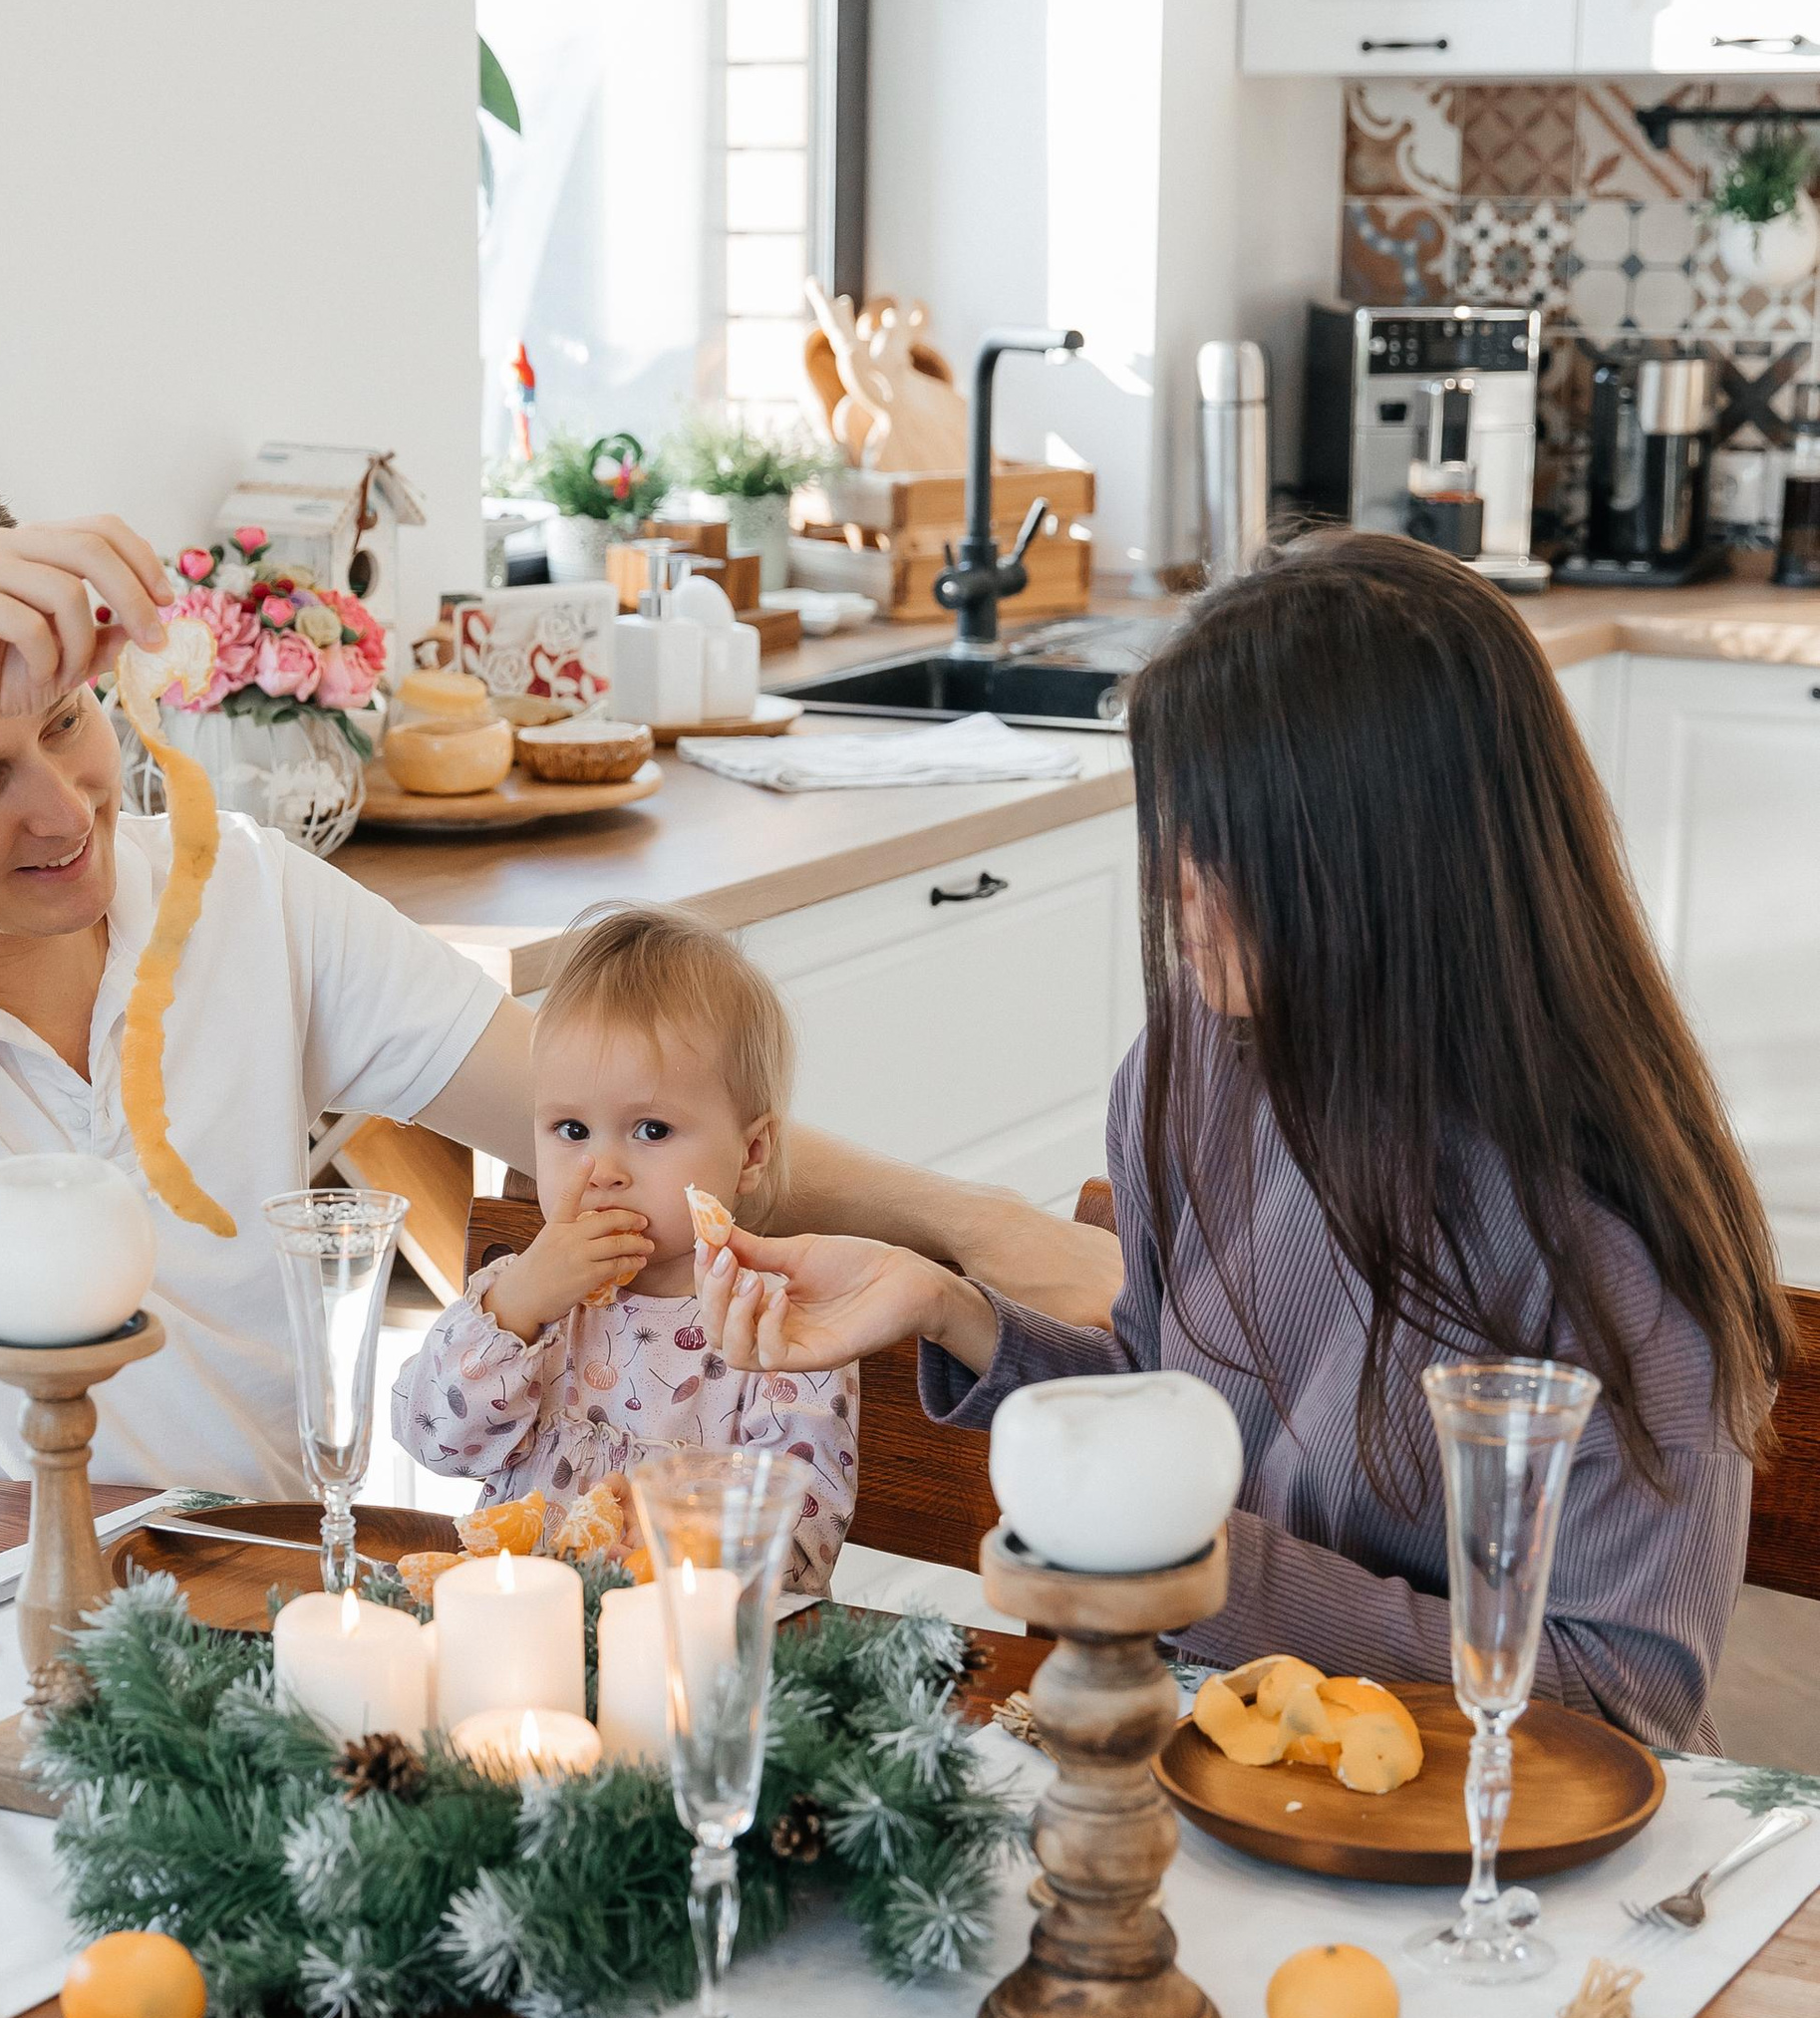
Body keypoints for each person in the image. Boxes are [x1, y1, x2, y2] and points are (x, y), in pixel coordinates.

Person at [0, 458, 1115, 1498]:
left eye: (69, 724)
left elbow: (605, 1112)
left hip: (252, 1625)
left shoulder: (239, 896)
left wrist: (986, 1230)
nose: (65, 809)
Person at [697, 532, 1789, 1750]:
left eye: (1220, 842)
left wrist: (1210, 1566)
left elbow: (1611, 1703)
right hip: (1202, 1764)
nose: (1173, 884)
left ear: (1378, 867)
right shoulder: (1191, 1072)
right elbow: (1167, 1413)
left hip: (1469, 1855)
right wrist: (955, 1312)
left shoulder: (1606, 1242)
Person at [392, 906, 858, 1594]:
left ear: (751, 1152)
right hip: (523, 1642)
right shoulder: (526, 1303)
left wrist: (675, 1534)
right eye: (572, 1128)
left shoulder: (779, 1326)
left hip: (687, 1661)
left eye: (651, 1128)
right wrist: (515, 1308)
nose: (602, 1169)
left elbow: (797, 1549)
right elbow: (433, 1441)